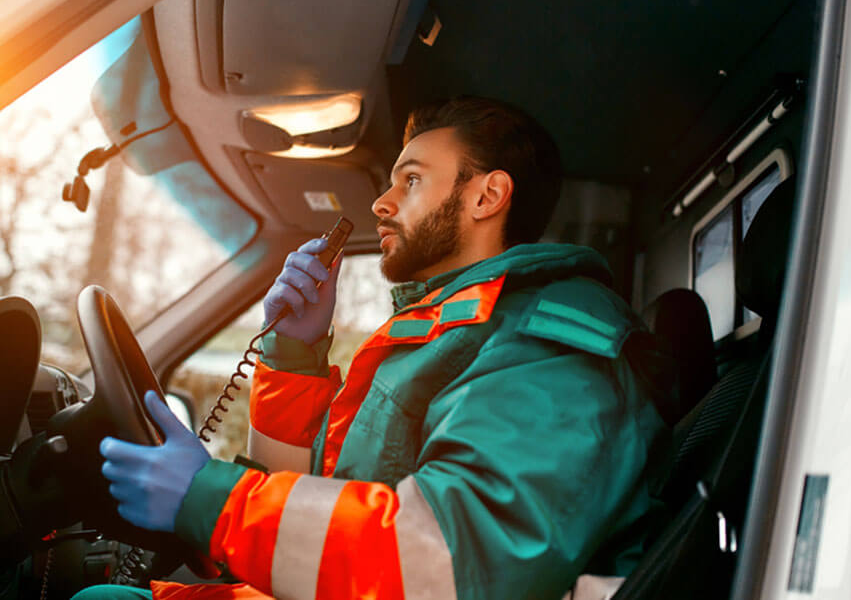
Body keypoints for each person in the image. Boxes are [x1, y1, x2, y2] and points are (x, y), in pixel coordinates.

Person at [77, 97, 669, 599]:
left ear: (487, 197)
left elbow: (448, 558)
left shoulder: (551, 346)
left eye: (410, 180)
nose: (382, 204)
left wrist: (213, 500)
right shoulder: (452, 328)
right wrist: (294, 355)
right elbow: (327, 495)